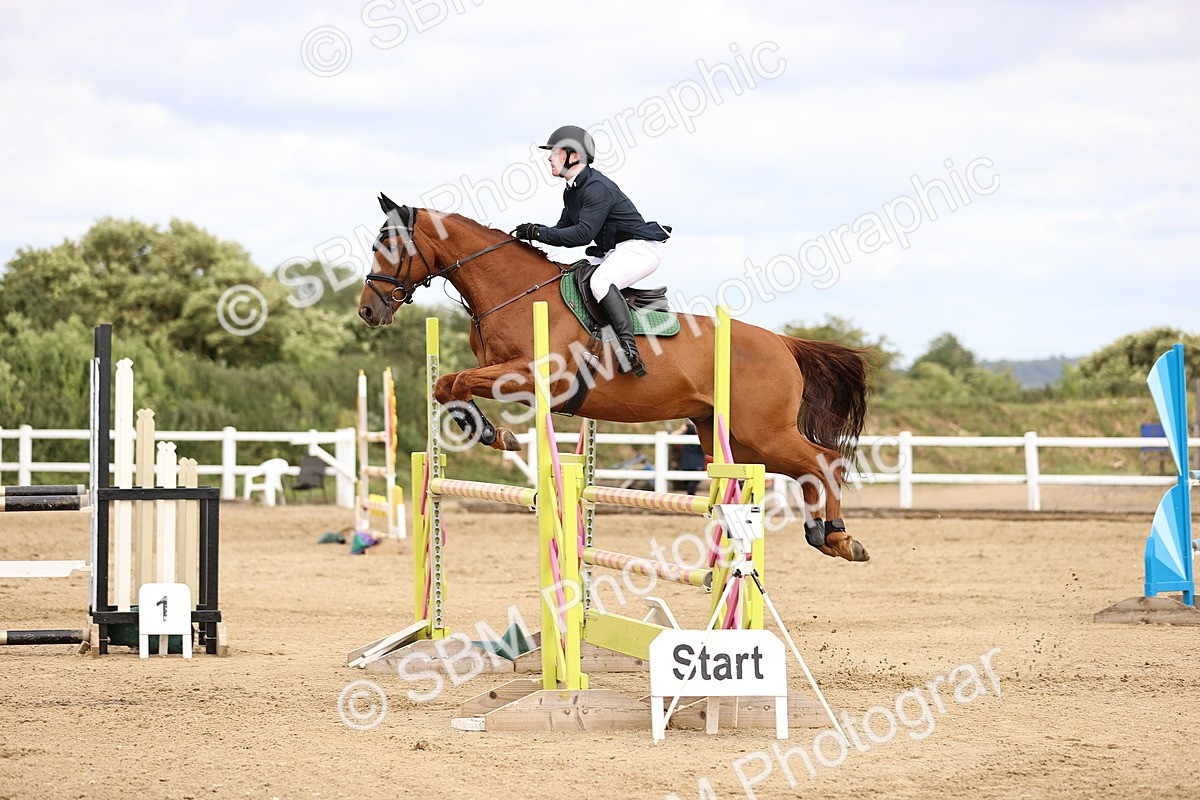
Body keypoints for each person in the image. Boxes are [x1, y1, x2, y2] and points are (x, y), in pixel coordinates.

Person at [512, 125, 670, 377]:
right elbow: (563, 229)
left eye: (554, 152)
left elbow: (581, 235)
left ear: (574, 156)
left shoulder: (596, 188)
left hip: (639, 248)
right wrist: (532, 233)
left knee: (600, 282)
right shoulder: (572, 190)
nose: (549, 157)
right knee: (573, 277)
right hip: (613, 250)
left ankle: (629, 350)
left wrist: (538, 232)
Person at [670, 420, 708, 496]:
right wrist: (682, 430)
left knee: (691, 488)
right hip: (685, 466)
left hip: (698, 467)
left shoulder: (701, 437)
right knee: (688, 488)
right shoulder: (684, 436)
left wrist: (698, 430)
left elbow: (708, 438)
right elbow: (671, 437)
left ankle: (692, 503)